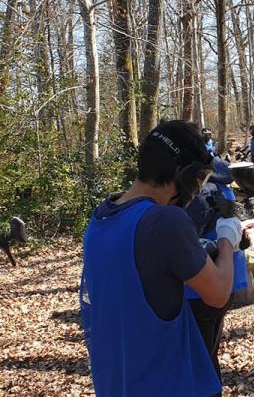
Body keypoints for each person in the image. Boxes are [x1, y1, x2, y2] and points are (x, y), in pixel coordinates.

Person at [79, 120, 243, 397]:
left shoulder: (101, 218)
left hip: (118, 383)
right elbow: (217, 293)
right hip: (170, 383)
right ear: (185, 174)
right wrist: (228, 238)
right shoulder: (164, 220)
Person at [185, 175, 249, 384]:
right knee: (207, 359)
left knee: (196, 365)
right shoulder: (220, 179)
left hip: (197, 288)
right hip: (224, 281)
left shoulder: (190, 184)